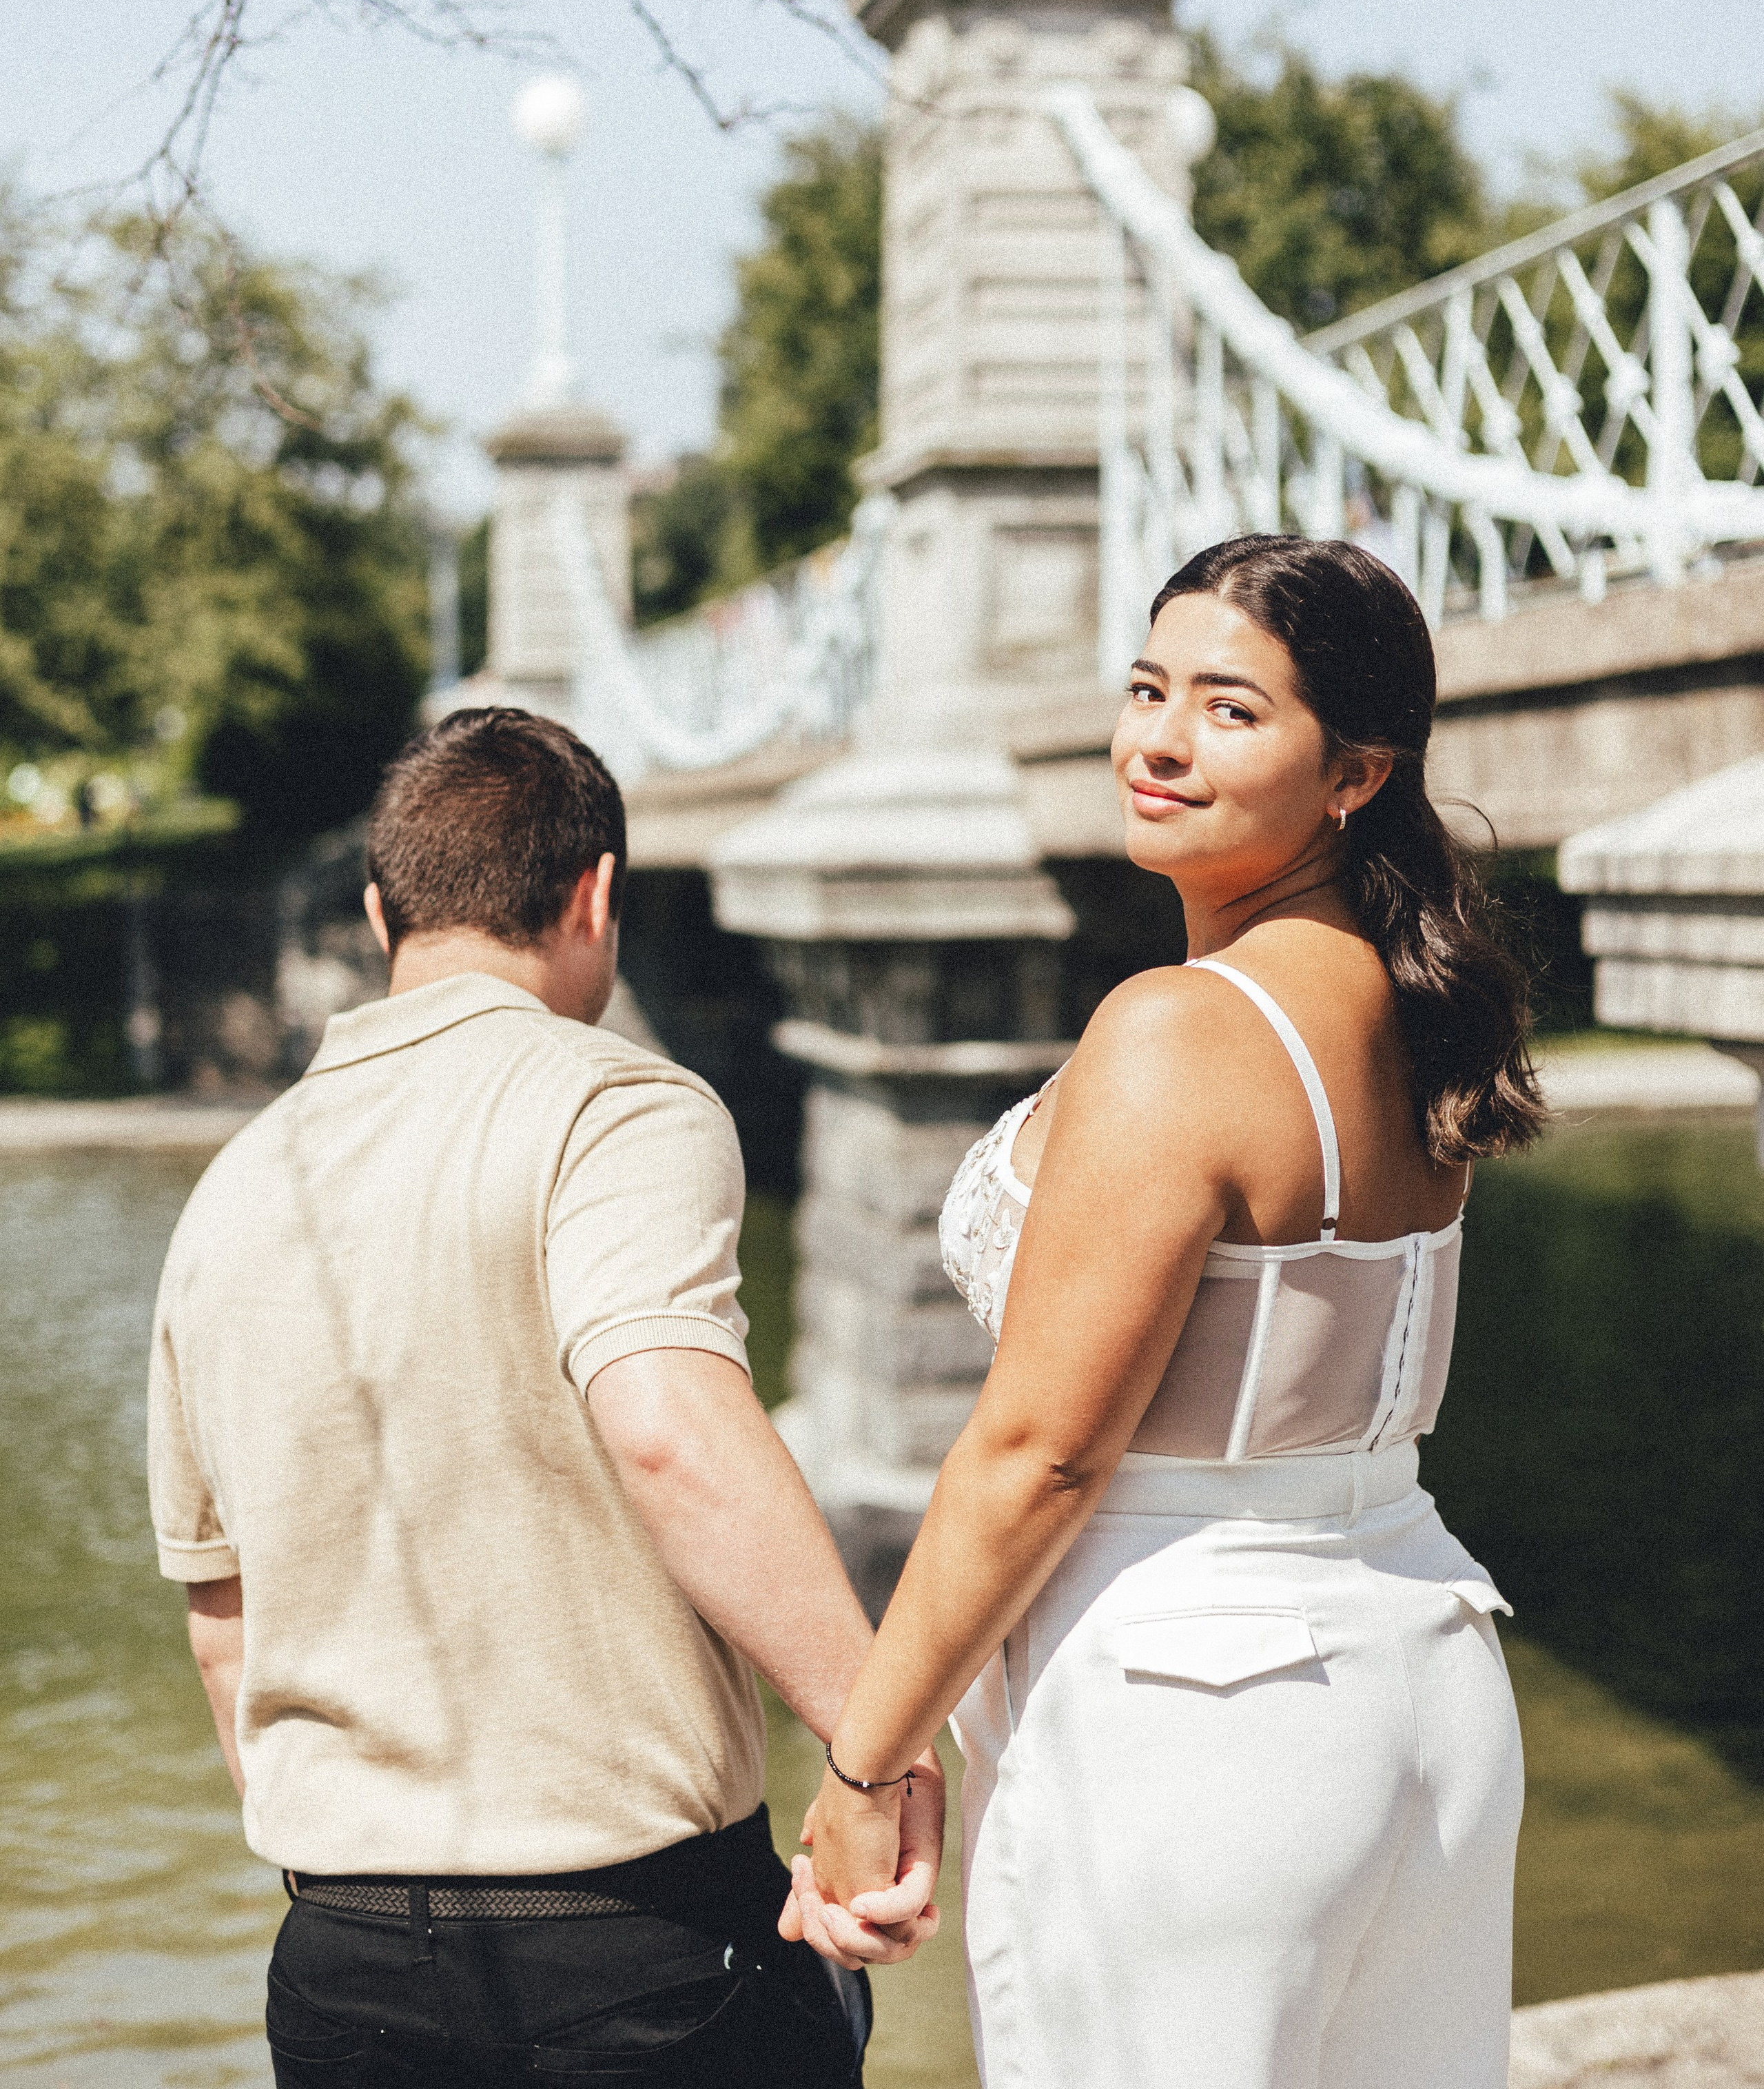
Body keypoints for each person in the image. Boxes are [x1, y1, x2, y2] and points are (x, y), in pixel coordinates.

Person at [787, 536, 1544, 2088]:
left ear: (1353, 771)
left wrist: (868, 1759)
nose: (1155, 741)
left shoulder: (1177, 1031)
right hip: (1422, 1668)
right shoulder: (1413, 1002)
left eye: (1226, 710)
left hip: (1194, 1716)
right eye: (1145, 691)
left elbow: (1037, 1455)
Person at [147, 706, 940, 2088]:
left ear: (384, 911)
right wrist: (874, 1751)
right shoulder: (616, 1105)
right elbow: (666, 1426)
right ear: (597, 897)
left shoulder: (231, 1191)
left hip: (337, 1964)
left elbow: (223, 1625)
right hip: (633, 1948)